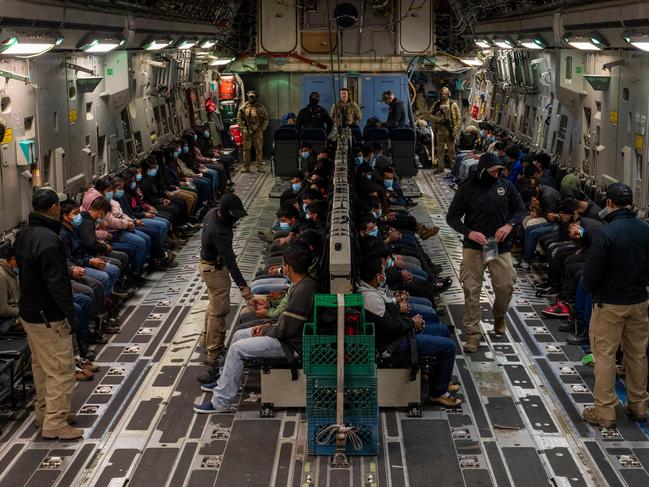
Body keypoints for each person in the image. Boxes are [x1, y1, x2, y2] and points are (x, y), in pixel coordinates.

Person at [194, 243, 318, 413]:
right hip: (285, 335)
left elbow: (285, 329)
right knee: (239, 335)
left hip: (291, 345)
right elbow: (286, 322)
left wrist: (265, 329)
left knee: (237, 349)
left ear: (288, 267)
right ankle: (224, 381)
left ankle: (221, 402)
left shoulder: (303, 291)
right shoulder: (303, 283)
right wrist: (267, 325)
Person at [14, 188, 82, 440]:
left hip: (29, 312)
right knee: (61, 369)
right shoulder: (51, 240)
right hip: (48, 316)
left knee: (42, 367)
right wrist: (69, 315)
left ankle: (45, 413)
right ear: (54, 208)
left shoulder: (23, 235)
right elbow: (57, 283)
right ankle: (55, 423)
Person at [581, 183, 649, 428]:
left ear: (609, 202)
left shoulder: (605, 233)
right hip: (639, 303)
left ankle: (605, 411)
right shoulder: (645, 229)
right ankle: (639, 405)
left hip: (609, 305)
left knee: (605, 356)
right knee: (637, 354)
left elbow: (590, 276)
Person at [446, 153, 526, 353]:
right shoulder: (467, 189)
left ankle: (499, 316)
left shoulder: (505, 186)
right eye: (493, 171)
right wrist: (469, 232)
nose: (497, 174)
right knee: (471, 289)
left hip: (497, 245)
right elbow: (452, 217)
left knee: (504, 286)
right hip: (474, 247)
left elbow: (520, 210)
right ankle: (473, 333)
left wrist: (509, 225)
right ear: (483, 171)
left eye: (499, 170)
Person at [358, 254, 461, 407]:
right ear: (378, 277)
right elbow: (390, 327)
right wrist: (412, 323)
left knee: (442, 331)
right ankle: (437, 394)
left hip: (397, 333)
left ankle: (437, 379)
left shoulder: (372, 290)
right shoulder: (370, 299)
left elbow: (389, 315)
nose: (385, 275)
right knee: (448, 346)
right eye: (383, 273)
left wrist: (405, 315)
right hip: (394, 345)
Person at [198, 194, 253, 383]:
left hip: (208, 265)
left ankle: (205, 339)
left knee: (214, 303)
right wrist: (243, 287)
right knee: (220, 310)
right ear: (227, 214)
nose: (237, 218)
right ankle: (213, 353)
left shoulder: (212, 212)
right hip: (214, 269)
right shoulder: (219, 232)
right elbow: (230, 261)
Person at [237, 89, 269, 173]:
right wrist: (243, 128)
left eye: (253, 97)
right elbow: (239, 118)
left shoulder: (261, 107)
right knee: (246, 150)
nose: (251, 98)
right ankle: (246, 167)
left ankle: (259, 166)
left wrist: (262, 128)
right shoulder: (244, 107)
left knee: (259, 149)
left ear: (256, 97)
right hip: (247, 131)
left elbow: (266, 119)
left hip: (257, 131)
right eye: (250, 96)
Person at [430, 87, 461, 173]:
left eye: (445, 93)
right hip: (440, 130)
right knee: (440, 150)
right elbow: (430, 115)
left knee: (451, 151)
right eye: (442, 93)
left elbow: (459, 118)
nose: (444, 95)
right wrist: (439, 119)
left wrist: (455, 129)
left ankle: (453, 168)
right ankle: (440, 168)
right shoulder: (436, 104)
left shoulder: (453, 104)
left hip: (449, 131)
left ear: (448, 94)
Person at [0, 243, 20, 334]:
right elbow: (3, 310)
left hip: (16, 312)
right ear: (13, 260)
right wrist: (23, 311)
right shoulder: (1, 277)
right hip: (6, 321)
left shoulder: (12, 271)